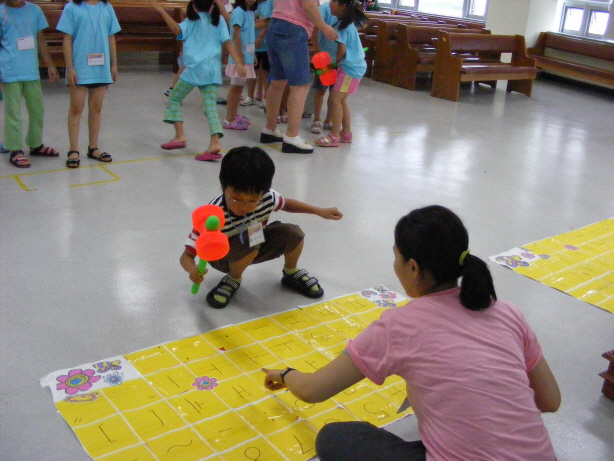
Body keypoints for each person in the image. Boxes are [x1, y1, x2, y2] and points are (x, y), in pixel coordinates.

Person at [263, 205, 561, 461]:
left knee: (335, 438)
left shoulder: (400, 325)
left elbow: (312, 390)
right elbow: (550, 401)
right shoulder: (508, 312)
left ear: (414, 268)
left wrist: (286, 374)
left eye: (397, 257)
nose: (395, 265)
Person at [181, 146, 343, 309]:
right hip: (223, 257)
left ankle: (290, 272)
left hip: (255, 241)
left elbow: (287, 204)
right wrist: (192, 270)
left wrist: (319, 211)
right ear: (224, 187)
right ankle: (233, 278)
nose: (244, 206)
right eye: (236, 199)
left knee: (294, 233)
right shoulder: (212, 216)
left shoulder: (267, 197)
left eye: (252, 201)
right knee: (250, 242)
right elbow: (186, 255)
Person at [151, 0, 245, 162]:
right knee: (210, 108)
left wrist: (161, 11)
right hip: (212, 71)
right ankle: (214, 143)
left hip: (194, 70)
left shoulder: (191, 21)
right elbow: (228, 43)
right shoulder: (218, 20)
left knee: (175, 99)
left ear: (193, 5)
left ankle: (180, 135)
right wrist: (239, 63)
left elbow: (176, 30)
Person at [259, 0, 338, 154]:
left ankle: (270, 128)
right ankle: (292, 136)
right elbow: (308, 6)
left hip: (275, 25)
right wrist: (324, 27)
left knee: (277, 82)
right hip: (293, 29)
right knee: (300, 86)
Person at [58, 0, 120, 169]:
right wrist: (70, 67)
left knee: (96, 108)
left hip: (101, 67)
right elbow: (67, 39)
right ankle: (73, 149)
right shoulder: (72, 7)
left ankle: (93, 147)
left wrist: (114, 64)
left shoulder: (107, 7)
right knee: (76, 108)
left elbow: (111, 37)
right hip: (80, 67)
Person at [0, 0, 59, 168]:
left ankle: (35, 144)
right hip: (9, 71)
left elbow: (41, 40)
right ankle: (15, 149)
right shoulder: (2, 12)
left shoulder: (35, 10)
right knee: (13, 113)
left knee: (37, 109)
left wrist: (50, 65)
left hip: (31, 70)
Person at [314, 0, 367, 147]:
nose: (330, 4)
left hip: (350, 69)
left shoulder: (342, 26)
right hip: (353, 67)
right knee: (341, 100)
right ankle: (346, 134)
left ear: (343, 7)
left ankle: (334, 136)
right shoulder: (344, 23)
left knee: (334, 100)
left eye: (334, 2)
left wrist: (333, 65)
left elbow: (341, 51)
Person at [222, 0, 257, 131]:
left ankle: (234, 115)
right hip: (239, 56)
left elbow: (249, 35)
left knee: (239, 88)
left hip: (246, 55)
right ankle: (229, 119)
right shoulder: (238, 12)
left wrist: (252, 54)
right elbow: (236, 35)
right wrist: (240, 57)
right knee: (235, 87)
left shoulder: (250, 11)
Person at [309, 0, 337, 135]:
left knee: (335, 92)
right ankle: (317, 119)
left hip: (340, 59)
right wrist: (317, 50)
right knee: (321, 90)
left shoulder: (347, 10)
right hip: (324, 58)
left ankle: (329, 120)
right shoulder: (325, 9)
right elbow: (315, 29)